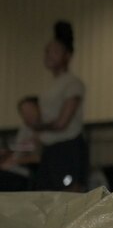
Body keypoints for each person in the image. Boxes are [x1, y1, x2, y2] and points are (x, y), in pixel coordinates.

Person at [15, 20, 85, 190]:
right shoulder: (52, 86)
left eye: (55, 51)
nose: (48, 55)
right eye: (47, 51)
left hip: (67, 149)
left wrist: (37, 127)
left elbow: (62, 123)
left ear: (67, 55)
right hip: (51, 150)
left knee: (69, 197)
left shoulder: (73, 83)